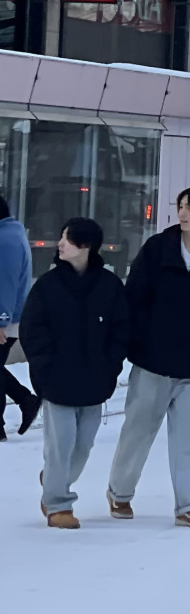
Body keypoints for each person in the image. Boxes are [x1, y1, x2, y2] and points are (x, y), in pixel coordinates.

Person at [106, 188, 190, 528]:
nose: (183, 214)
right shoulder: (157, 249)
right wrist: (140, 343)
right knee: (138, 430)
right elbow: (133, 299)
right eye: (180, 207)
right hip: (152, 361)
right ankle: (119, 492)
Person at [18, 219, 128, 528]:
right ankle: (57, 505)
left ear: (85, 246)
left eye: (66, 239)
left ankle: (53, 479)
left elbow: (122, 329)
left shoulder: (109, 285)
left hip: (96, 380)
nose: (60, 244)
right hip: (56, 380)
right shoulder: (48, 286)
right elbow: (32, 329)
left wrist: (111, 364)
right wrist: (44, 365)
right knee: (61, 443)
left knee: (82, 447)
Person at [0, 193, 40, 439]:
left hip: (8, 318)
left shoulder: (5, 240)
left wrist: (0, 320)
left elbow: (5, 283)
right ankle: (25, 400)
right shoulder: (11, 233)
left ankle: (24, 401)